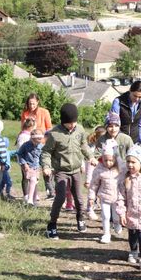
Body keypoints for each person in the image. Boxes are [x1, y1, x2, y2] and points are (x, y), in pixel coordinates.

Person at [42, 103, 97, 240]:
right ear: (63, 121)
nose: (72, 125)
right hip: (61, 170)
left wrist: (90, 157)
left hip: (76, 169)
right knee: (60, 197)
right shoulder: (54, 134)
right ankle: (52, 225)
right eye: (69, 123)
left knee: (79, 198)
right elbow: (46, 152)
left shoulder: (80, 130)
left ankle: (80, 218)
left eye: (74, 122)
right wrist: (46, 166)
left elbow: (83, 145)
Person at [116, 145, 141, 269]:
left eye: (133, 162)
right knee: (132, 234)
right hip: (130, 212)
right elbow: (120, 196)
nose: (130, 165)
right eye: (128, 161)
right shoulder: (124, 177)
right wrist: (121, 212)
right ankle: (133, 251)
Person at [21, 93, 54, 198]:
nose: (31, 106)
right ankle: (31, 193)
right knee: (31, 168)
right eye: (30, 104)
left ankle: (50, 190)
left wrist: (43, 141)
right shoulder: (25, 113)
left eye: (33, 104)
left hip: (43, 144)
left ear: (38, 102)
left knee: (45, 166)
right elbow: (23, 128)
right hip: (30, 145)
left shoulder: (44, 112)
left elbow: (49, 128)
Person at [89, 140, 122, 245]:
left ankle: (117, 223)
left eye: (111, 160)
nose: (108, 163)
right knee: (105, 216)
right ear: (102, 159)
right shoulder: (99, 170)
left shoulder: (120, 169)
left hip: (117, 198)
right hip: (104, 196)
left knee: (116, 216)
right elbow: (94, 184)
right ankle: (106, 234)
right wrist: (91, 197)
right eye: (105, 160)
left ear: (115, 159)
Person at [84, 126, 107, 221]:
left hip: (102, 176)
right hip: (93, 177)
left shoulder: (106, 147)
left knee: (102, 193)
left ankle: (100, 209)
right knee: (92, 194)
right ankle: (89, 209)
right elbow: (90, 166)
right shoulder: (93, 149)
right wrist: (88, 180)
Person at [16, 130, 44, 206]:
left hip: (36, 167)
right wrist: (24, 164)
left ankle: (34, 201)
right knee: (32, 180)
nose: (38, 143)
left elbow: (42, 158)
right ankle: (30, 199)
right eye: (36, 141)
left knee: (34, 182)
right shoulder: (25, 145)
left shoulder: (41, 146)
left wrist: (44, 167)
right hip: (27, 167)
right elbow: (19, 154)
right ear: (32, 139)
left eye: (40, 141)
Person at [16, 117, 37, 199]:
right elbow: (20, 150)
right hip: (25, 161)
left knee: (33, 177)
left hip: (31, 160)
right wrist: (23, 162)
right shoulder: (23, 136)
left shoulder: (28, 135)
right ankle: (26, 195)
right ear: (31, 127)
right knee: (25, 177)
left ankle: (33, 194)